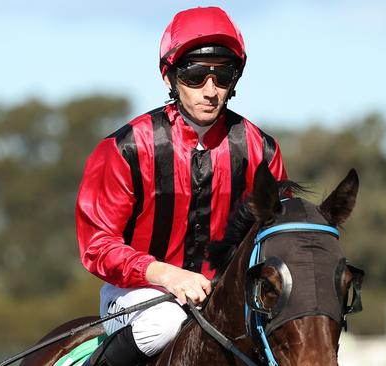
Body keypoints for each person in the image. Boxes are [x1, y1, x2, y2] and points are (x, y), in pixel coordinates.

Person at [76, 6, 288, 366]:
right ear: (169, 77)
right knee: (166, 322)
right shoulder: (126, 147)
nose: (210, 90)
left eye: (223, 75)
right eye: (194, 75)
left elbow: (279, 235)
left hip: (226, 296)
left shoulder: (260, 150)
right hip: (138, 295)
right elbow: (97, 246)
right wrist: (165, 274)